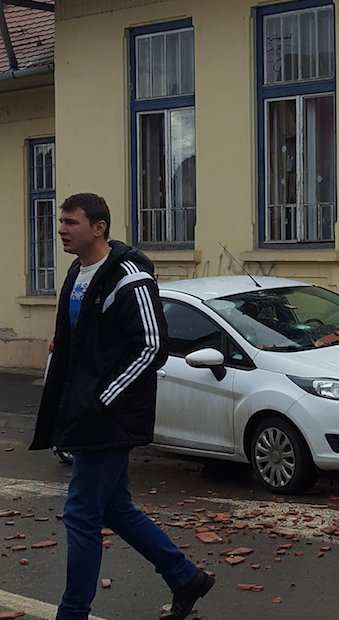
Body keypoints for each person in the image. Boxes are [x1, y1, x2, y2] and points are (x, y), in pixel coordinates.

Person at [29, 194, 215, 620]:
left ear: (98, 228)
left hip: (108, 416)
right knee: (114, 507)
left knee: (80, 513)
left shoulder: (129, 276)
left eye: (71, 222)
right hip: (84, 412)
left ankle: (72, 614)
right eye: (60, 221)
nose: (61, 229)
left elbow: (152, 346)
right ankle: (184, 576)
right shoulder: (78, 272)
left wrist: (102, 399)